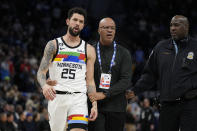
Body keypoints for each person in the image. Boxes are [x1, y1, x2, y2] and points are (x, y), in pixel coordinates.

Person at [37, 7, 98, 131]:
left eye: (81, 22)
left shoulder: (89, 49)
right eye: (75, 20)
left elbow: (90, 81)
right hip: (57, 98)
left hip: (78, 99)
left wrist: (94, 104)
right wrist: (44, 86)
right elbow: (41, 72)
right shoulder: (53, 45)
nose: (77, 23)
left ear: (83, 25)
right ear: (67, 21)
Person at [132, 15, 197, 131]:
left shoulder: (195, 46)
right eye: (171, 25)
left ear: (186, 27)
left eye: (176, 25)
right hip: (167, 104)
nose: (172, 28)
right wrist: (135, 90)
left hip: (190, 104)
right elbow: (149, 75)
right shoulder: (161, 47)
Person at [88, 17, 132, 131]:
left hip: (117, 107)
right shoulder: (90, 51)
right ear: (98, 30)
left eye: (112, 28)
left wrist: (104, 94)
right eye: (106, 27)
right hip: (95, 107)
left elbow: (125, 81)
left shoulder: (124, 53)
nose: (110, 30)